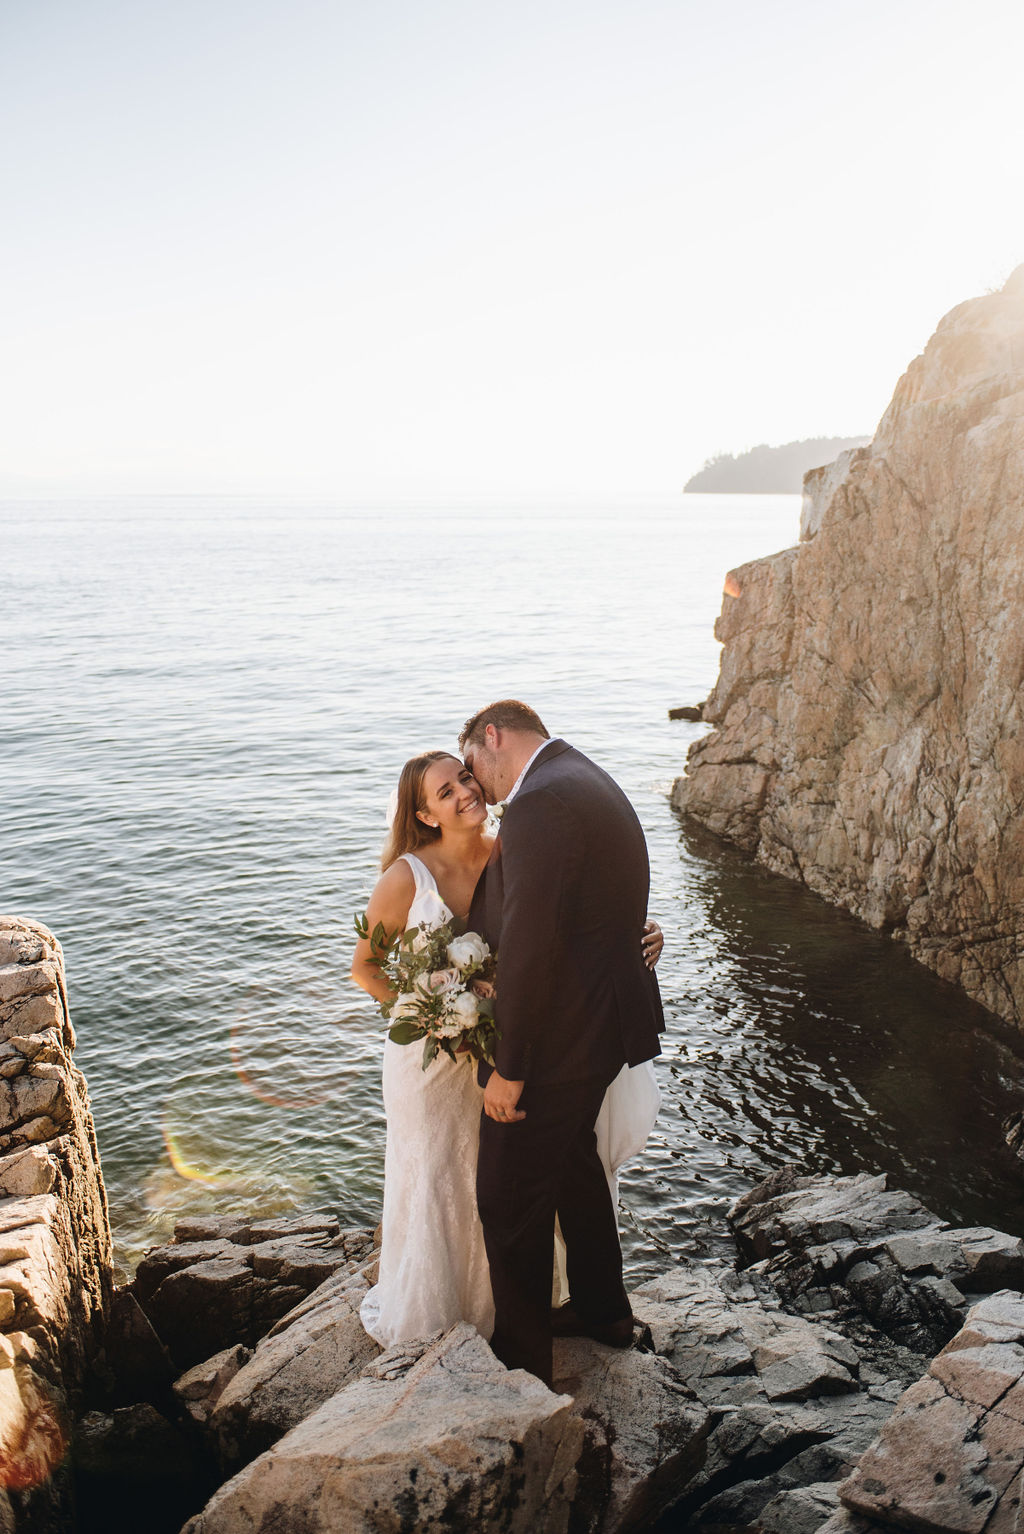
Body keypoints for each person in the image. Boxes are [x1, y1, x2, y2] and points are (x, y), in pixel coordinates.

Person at [350, 746, 662, 1351]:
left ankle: (509, 1315)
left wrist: (640, 932)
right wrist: (435, 1017)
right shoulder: (406, 877)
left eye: (465, 777)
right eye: (444, 791)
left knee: (496, 1178)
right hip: (433, 1061)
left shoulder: (511, 848)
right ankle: (438, 1312)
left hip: (506, 1051)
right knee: (443, 1172)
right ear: (425, 813)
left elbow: (565, 925)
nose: (465, 791)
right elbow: (367, 968)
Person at [461, 700, 664, 1387]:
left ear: (494, 737)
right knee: (575, 1166)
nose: (473, 783)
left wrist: (510, 1068)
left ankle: (521, 1366)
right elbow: (597, 905)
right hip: (598, 1028)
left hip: (560, 1041)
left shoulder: (540, 803)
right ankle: (605, 1312)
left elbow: (530, 946)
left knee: (507, 1194)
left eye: (470, 764)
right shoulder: (586, 777)